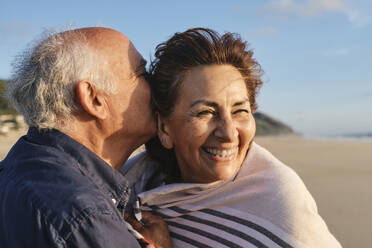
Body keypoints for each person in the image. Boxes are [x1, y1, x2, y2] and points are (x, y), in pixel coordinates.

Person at [123, 28, 342, 247]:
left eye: (240, 111)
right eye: (205, 112)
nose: (229, 133)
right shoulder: (129, 183)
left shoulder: (279, 204)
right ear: (164, 128)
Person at [0, 27, 171, 248]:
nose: (157, 85)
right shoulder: (85, 217)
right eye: (141, 74)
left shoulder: (18, 168)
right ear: (94, 99)